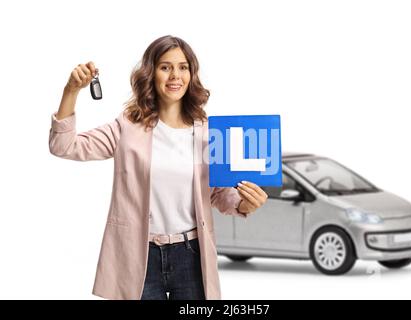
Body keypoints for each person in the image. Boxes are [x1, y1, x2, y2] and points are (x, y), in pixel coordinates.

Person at [48, 35, 268, 300]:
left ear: (191, 74)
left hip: (192, 255)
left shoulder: (209, 132)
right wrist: (71, 90)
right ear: (151, 74)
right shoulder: (126, 127)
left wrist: (245, 204)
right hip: (139, 255)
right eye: (165, 67)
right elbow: (63, 145)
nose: (175, 75)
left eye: (183, 67)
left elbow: (218, 194)